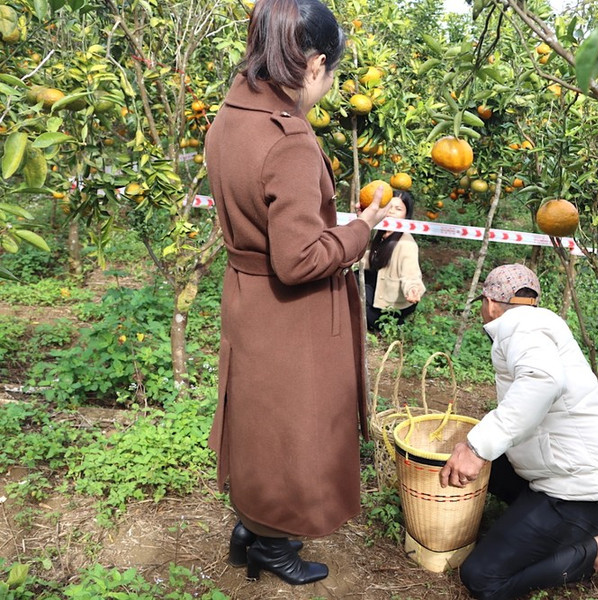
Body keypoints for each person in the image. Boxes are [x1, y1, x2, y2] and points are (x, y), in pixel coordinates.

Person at [203, 0, 390, 586]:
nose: (328, 85)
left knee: (260, 419)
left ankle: (253, 526)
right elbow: (299, 258)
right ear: (313, 64)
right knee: (294, 426)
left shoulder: (230, 113)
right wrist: (362, 229)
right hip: (290, 312)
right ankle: (274, 543)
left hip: (247, 296)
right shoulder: (288, 140)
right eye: (331, 73)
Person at [440, 263, 598, 600]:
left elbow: (542, 381)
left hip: (582, 495)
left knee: (482, 577)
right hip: (571, 471)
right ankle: (535, 525)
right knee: (473, 460)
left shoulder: (521, 328)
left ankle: (597, 548)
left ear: (490, 303)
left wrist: (476, 448)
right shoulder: (535, 324)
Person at [362, 191, 426, 331]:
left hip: (392, 306)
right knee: (353, 278)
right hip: (380, 290)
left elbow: (411, 273)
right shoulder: (381, 234)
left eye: (398, 209)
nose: (391, 212)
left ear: (406, 215)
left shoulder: (406, 243)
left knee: (357, 298)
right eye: (389, 207)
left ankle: (387, 324)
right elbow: (371, 259)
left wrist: (413, 289)